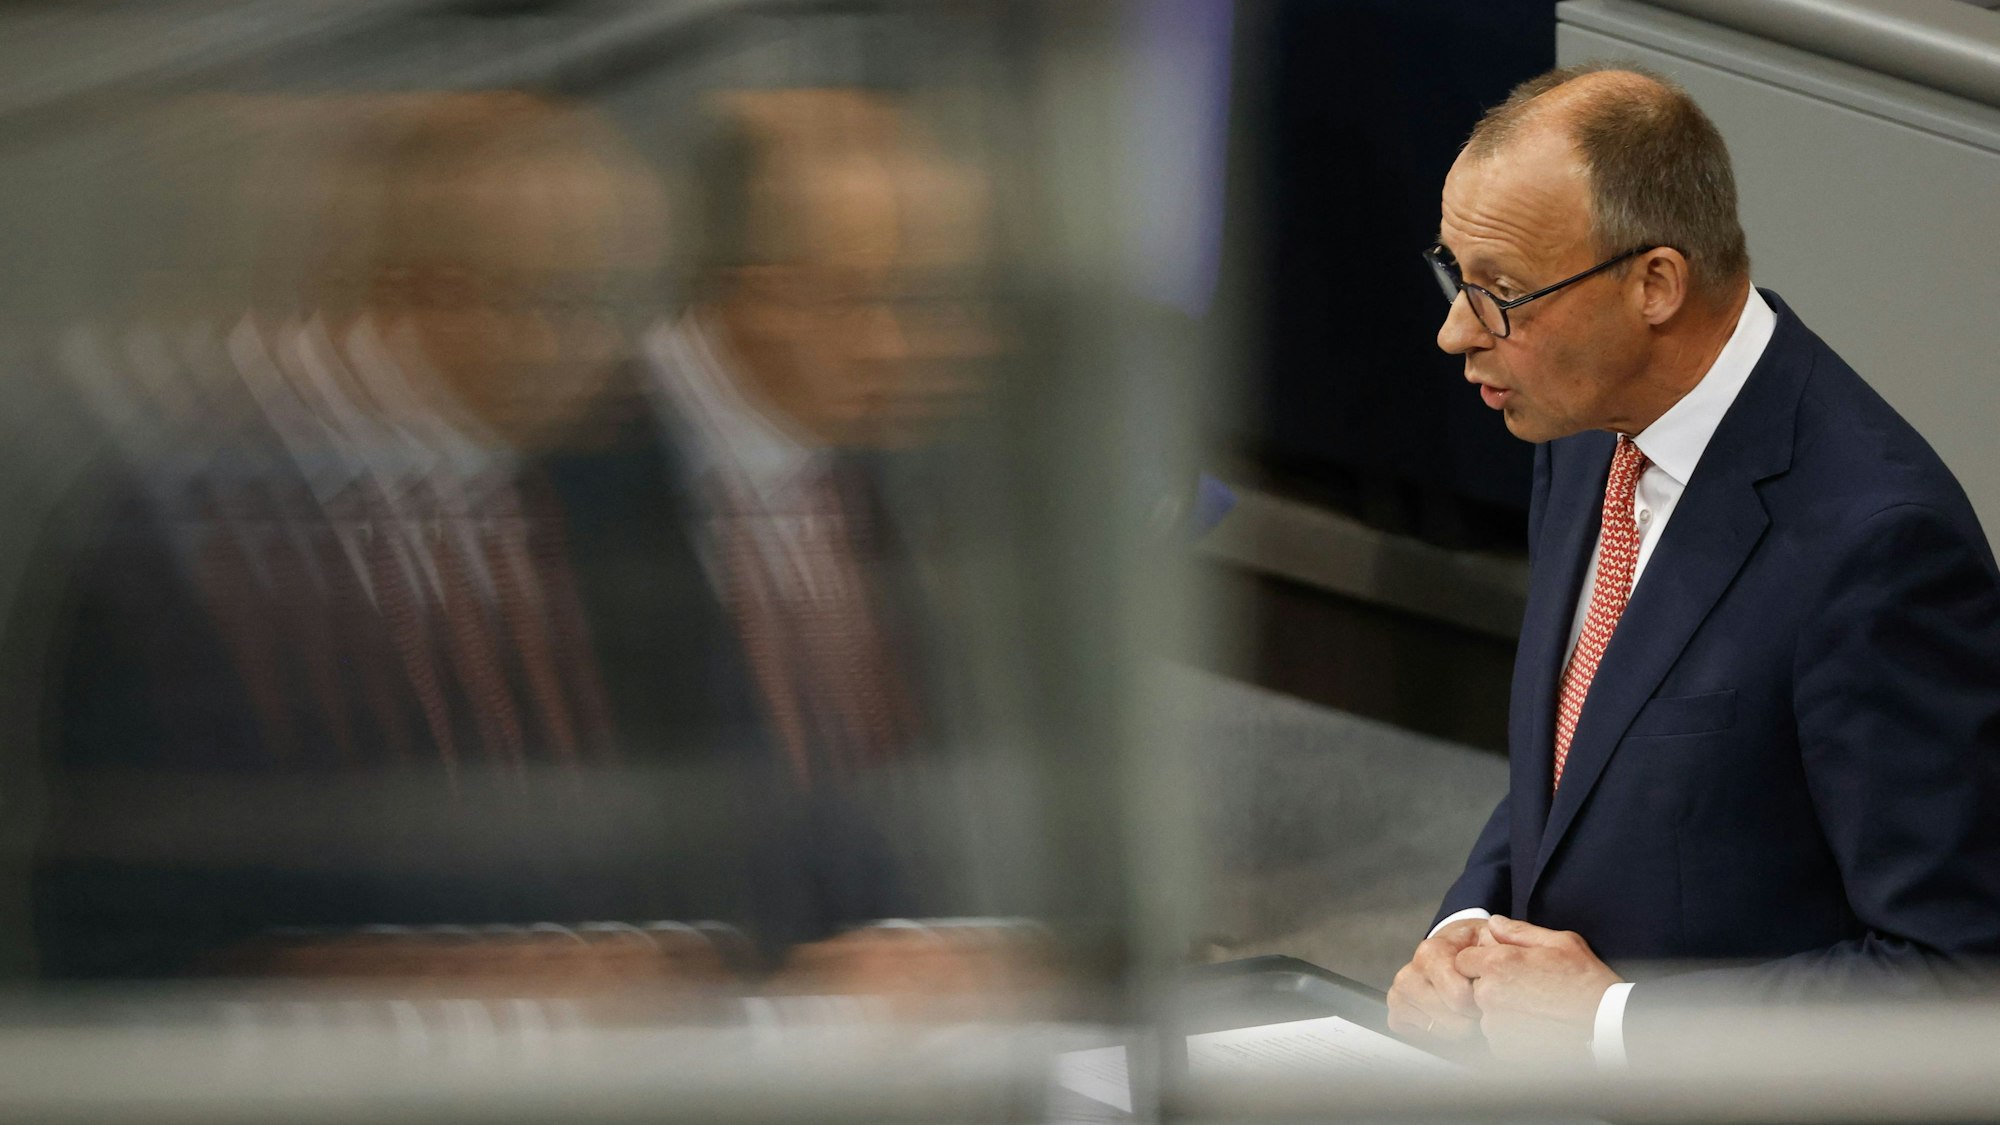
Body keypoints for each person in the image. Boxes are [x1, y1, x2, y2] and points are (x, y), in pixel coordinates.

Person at [1385, 65, 2000, 1066]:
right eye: (1454, 277)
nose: (1456, 333)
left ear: (1654, 285)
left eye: (1500, 294)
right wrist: (1463, 935)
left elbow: (1952, 977)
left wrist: (1612, 1026)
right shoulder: (1582, 433)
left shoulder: (1877, 547)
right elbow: (1578, 762)